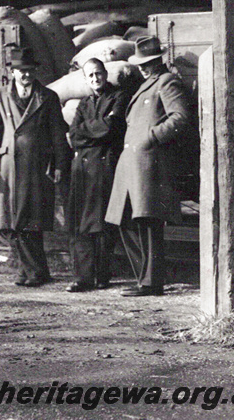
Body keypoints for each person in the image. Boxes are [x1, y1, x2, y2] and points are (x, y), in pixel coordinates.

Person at [105, 36, 192, 297]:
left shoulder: (167, 82)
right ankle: (144, 277)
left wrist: (151, 137)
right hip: (133, 164)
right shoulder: (148, 83)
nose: (143, 67)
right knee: (126, 221)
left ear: (158, 62)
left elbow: (181, 117)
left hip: (149, 163)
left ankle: (151, 282)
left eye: (148, 63)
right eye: (141, 63)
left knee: (148, 223)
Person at [0, 46, 70, 287]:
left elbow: (58, 135)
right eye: (21, 70)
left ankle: (35, 272)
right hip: (8, 166)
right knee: (12, 221)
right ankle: (29, 270)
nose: (26, 75)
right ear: (12, 71)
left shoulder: (48, 97)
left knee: (31, 220)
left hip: (36, 167)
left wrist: (61, 164)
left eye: (29, 70)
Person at [66, 58, 129, 292]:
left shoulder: (118, 97)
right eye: (90, 76)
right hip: (82, 170)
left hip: (103, 167)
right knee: (80, 222)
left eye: (98, 74)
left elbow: (111, 128)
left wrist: (88, 129)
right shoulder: (84, 103)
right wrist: (97, 127)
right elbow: (73, 134)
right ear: (85, 79)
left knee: (101, 223)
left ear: (105, 73)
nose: (95, 79)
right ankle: (83, 277)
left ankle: (102, 276)